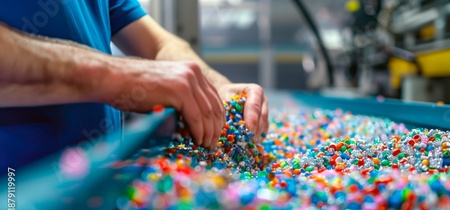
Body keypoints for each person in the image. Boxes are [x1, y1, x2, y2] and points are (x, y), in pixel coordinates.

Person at [0, 0, 268, 171]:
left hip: (96, 185)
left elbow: (158, 43)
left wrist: (215, 87)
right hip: (15, 202)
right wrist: (115, 76)